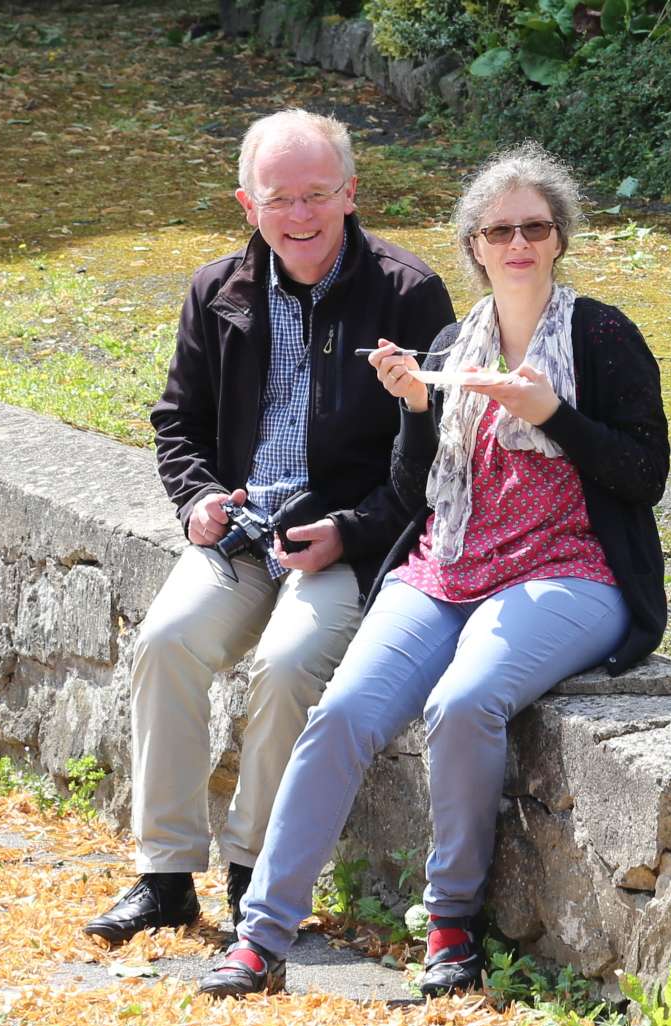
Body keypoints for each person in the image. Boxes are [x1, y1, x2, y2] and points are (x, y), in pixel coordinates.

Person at [195, 143, 669, 999]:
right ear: (475, 247)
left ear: (559, 238)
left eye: (535, 227)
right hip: (445, 563)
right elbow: (415, 491)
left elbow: (645, 475)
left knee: (463, 702)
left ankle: (451, 923)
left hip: (568, 570)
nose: (518, 243)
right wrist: (416, 406)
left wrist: (551, 413)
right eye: (499, 230)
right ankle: (261, 935)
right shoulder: (457, 342)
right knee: (340, 711)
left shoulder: (601, 336)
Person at [82, 109, 454, 945]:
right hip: (242, 533)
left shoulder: (408, 292)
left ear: (350, 194)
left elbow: (434, 449)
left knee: (288, 666)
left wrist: (353, 532)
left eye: (316, 194)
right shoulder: (218, 291)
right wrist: (197, 498)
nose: (298, 215)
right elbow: (177, 422)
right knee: (166, 643)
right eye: (277, 197)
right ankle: (166, 876)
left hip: (341, 539)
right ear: (247, 204)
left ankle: (256, 876)